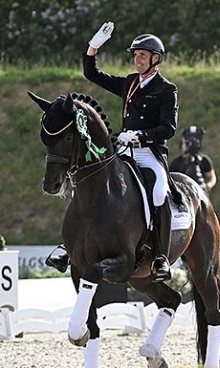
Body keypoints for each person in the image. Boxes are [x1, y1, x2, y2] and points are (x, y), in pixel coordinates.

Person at [46, 21, 178, 282]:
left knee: (159, 191)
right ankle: (68, 245)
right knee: (88, 181)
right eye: (135, 55)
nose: (137, 60)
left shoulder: (167, 89)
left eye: (142, 55)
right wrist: (93, 47)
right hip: (122, 150)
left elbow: (169, 128)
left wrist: (141, 135)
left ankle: (161, 257)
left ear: (156, 58)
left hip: (149, 152)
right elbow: (92, 75)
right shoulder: (130, 83)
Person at [169, 126, 217, 194]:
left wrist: (208, 186)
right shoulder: (176, 163)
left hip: (200, 194)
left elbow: (211, 177)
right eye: (186, 143)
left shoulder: (204, 160)